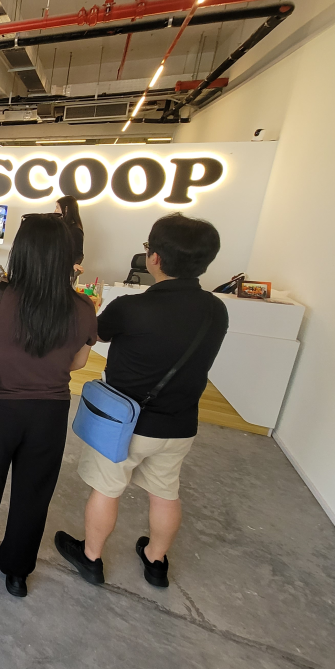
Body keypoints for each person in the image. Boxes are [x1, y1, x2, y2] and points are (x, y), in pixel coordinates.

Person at [55, 214, 228, 589]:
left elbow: (96, 335)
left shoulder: (131, 307)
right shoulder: (216, 310)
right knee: (165, 493)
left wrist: (90, 306)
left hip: (125, 424)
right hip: (180, 424)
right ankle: (156, 560)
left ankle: (91, 557)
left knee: (107, 488)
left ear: (156, 258)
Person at [0, 214, 97, 597]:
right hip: (50, 412)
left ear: (21, 251)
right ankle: (16, 572)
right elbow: (78, 363)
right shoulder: (82, 307)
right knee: (34, 493)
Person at [56, 195, 85, 277]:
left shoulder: (75, 230)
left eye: (57, 208)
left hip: (63, 272)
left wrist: (76, 263)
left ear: (66, 209)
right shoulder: (61, 227)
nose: (55, 211)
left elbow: (78, 253)